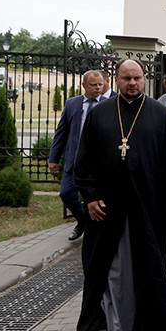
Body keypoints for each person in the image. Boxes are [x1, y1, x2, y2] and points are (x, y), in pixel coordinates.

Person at [73, 59, 166, 331]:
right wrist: (89, 198)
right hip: (106, 209)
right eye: (126, 78)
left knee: (148, 268)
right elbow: (84, 161)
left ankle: (152, 325)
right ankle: (104, 328)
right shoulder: (100, 114)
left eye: (137, 78)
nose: (132, 83)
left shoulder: (159, 114)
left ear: (144, 79)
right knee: (107, 270)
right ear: (116, 80)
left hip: (147, 210)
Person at [49, 70, 105, 241]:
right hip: (74, 160)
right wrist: (53, 158)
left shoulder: (109, 104)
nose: (97, 88)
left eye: (100, 85)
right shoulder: (72, 104)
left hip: (99, 163)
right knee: (66, 193)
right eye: (93, 85)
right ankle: (83, 221)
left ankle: (97, 230)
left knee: (99, 200)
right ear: (84, 85)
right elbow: (61, 133)